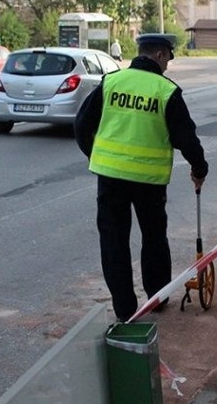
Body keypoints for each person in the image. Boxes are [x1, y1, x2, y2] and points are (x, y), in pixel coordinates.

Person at [74, 33, 209, 322]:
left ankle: (125, 310)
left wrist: (96, 157)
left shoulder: (111, 82)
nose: (168, 66)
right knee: (154, 238)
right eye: (168, 59)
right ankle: (157, 298)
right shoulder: (166, 91)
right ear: (160, 55)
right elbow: (187, 138)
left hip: (110, 179)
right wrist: (199, 170)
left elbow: (82, 125)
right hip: (149, 181)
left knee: (114, 242)